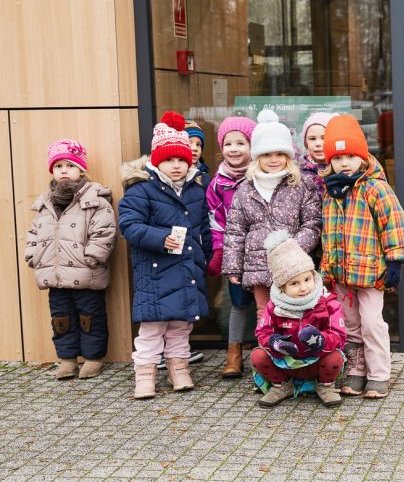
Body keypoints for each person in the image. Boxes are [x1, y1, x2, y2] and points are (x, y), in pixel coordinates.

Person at [118, 111, 212, 399]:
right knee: (151, 329)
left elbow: (203, 229)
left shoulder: (196, 190)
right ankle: (145, 376)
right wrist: (161, 238)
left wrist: (205, 257)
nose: (176, 165)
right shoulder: (141, 190)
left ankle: (179, 369)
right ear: (157, 160)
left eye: (182, 160)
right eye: (170, 160)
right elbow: (129, 225)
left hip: (186, 269)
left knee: (181, 327)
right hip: (156, 270)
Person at [320, 115, 404, 399]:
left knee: (372, 323)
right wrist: (327, 269)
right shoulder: (331, 191)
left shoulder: (375, 187)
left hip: (370, 273)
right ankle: (357, 371)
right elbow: (329, 234)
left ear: (362, 156)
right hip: (342, 274)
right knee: (350, 325)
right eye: (338, 157)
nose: (344, 163)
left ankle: (379, 373)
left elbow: (394, 223)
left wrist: (395, 260)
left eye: (350, 156)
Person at [25, 139, 116, 380]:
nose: (64, 170)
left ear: (81, 169)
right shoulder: (46, 202)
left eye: (70, 165)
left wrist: (92, 257)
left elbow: (104, 231)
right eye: (58, 166)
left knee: (90, 317)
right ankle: (67, 359)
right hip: (54, 275)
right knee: (60, 318)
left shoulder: (95, 199)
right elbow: (34, 231)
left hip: (86, 273)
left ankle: (93, 358)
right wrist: (32, 254)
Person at [222, 109, 322, 324]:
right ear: (258, 157)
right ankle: (270, 355)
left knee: (298, 312)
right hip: (258, 264)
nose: (274, 159)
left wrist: (293, 248)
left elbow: (312, 223)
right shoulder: (246, 188)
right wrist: (232, 266)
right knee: (265, 314)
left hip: (293, 265)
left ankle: (299, 354)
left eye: (279, 153)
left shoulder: (303, 184)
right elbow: (235, 230)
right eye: (267, 154)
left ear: (288, 155)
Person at [252, 230, 347, 408]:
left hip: (317, 361)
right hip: (286, 362)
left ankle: (325, 386)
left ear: (313, 275)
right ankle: (282, 385)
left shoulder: (328, 302)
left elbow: (340, 335)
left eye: (307, 279)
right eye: (294, 283)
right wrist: (274, 343)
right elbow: (262, 332)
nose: (304, 288)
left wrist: (321, 340)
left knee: (335, 358)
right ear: (282, 287)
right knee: (258, 356)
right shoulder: (274, 306)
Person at [205, 116, 256, 378]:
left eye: (241, 143)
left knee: (267, 303)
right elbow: (215, 221)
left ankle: (266, 352)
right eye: (228, 143)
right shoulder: (217, 183)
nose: (234, 149)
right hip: (234, 251)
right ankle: (233, 352)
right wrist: (219, 251)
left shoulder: (260, 177)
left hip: (261, 250)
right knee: (237, 303)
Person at [299, 112, 335, 193]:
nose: (318, 144)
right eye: (312, 139)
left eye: (324, 138)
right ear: (306, 143)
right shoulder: (299, 173)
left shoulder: (343, 168)